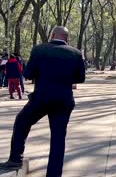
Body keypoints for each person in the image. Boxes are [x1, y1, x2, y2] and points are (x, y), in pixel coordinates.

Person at [0, 26, 86, 176]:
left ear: (52, 35)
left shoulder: (39, 49)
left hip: (42, 98)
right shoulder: (76, 53)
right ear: (67, 38)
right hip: (63, 100)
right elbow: (80, 78)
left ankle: (15, 159)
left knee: (22, 122)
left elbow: (28, 73)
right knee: (58, 137)